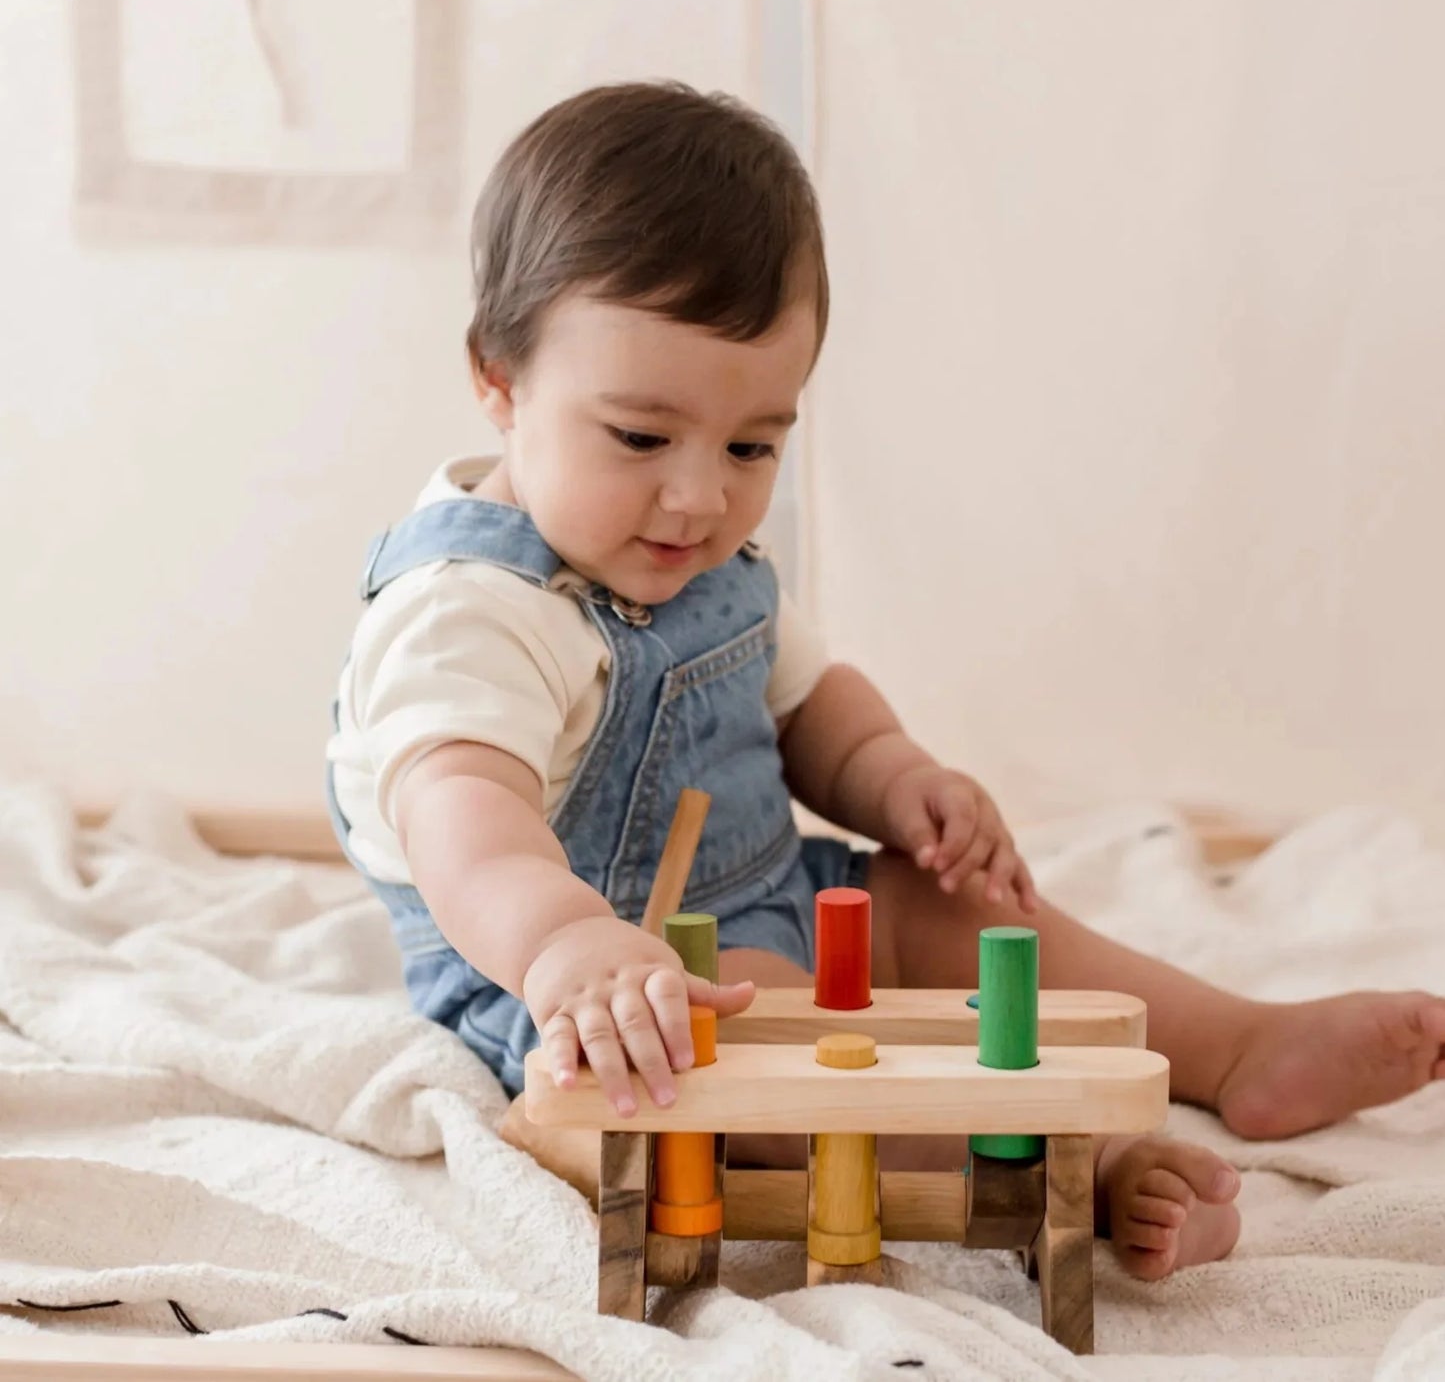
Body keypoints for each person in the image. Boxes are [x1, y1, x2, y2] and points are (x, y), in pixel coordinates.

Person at [326, 81, 1445, 1281]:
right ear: (499, 381)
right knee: (773, 1064)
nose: (700, 496)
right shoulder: (469, 610)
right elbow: (464, 820)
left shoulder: (691, 556)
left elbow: (804, 698)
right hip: (608, 986)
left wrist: (896, 774)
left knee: (955, 909)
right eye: (642, 439)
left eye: (752, 444)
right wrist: (563, 945)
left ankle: (1232, 1043)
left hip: (778, 892)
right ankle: (1078, 1162)